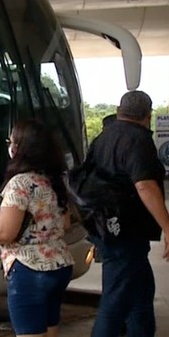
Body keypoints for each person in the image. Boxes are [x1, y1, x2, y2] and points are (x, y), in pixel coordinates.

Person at [0, 119, 74, 337]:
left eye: (11, 141)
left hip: (30, 269)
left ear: (19, 148)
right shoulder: (54, 180)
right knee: (50, 331)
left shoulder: (20, 183)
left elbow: (5, 233)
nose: (9, 146)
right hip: (60, 264)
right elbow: (65, 224)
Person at [82, 91, 169, 337]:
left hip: (106, 226)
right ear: (147, 116)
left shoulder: (103, 137)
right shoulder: (138, 140)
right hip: (125, 232)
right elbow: (145, 185)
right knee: (116, 297)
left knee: (140, 292)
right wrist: (168, 227)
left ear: (119, 110)